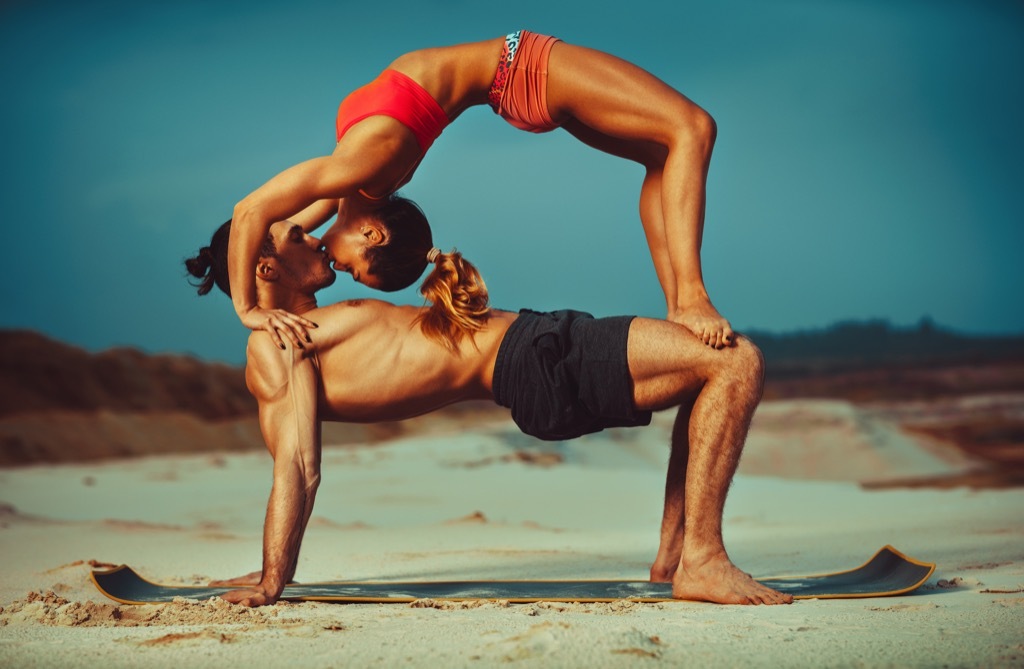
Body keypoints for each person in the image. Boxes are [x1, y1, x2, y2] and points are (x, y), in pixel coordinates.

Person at [185, 219, 791, 607]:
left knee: (708, 379)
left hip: (537, 350)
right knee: (735, 364)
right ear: (266, 268)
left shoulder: (301, 326)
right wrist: (273, 577)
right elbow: (296, 463)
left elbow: (307, 200)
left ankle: (675, 557)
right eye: (297, 236)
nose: (317, 236)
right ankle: (703, 561)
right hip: (537, 357)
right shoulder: (277, 343)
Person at [227, 30, 733, 353]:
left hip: (520, 68)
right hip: (516, 79)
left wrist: (248, 308)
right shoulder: (355, 186)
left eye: (353, 269)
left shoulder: (360, 167)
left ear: (372, 234)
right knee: (688, 130)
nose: (341, 271)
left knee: (683, 137)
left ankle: (686, 298)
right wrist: (253, 277)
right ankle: (685, 301)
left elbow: (253, 213)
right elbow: (269, 229)